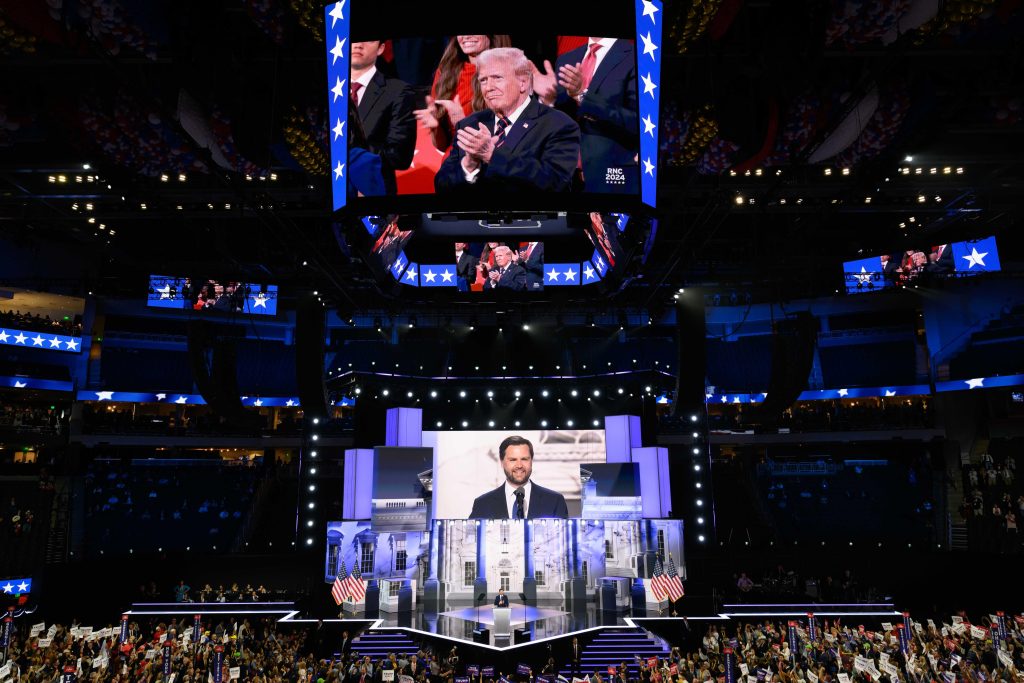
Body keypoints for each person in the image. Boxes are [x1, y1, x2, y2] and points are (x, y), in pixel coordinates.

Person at [434, 47, 580, 194]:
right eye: (483, 80)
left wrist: (492, 156)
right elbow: (442, 186)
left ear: (523, 83)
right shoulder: (469, 125)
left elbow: (555, 183)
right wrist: (469, 165)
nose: (488, 88)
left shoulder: (559, 125)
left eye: (497, 78)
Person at [536, 37, 639, 194]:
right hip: (564, 176)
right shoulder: (567, 58)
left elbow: (637, 121)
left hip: (611, 175)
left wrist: (582, 96)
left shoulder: (634, 57)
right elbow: (558, 119)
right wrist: (548, 100)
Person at [414, 35, 513, 153]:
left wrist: (463, 124)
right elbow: (442, 146)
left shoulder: (510, 72)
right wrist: (435, 128)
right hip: (456, 160)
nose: (466, 36)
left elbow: (511, 139)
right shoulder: (446, 71)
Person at [350, 40, 416, 195]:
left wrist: (351, 155)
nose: (358, 45)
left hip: (374, 192)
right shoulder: (325, 90)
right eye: (353, 39)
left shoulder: (398, 91)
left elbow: (400, 156)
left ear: (380, 49)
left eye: (368, 40)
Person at [468, 435, 569, 519]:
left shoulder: (554, 501)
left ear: (531, 461)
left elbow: (564, 540)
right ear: (502, 462)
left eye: (524, 459)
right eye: (513, 460)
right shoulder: (482, 504)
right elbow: (471, 541)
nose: (519, 465)